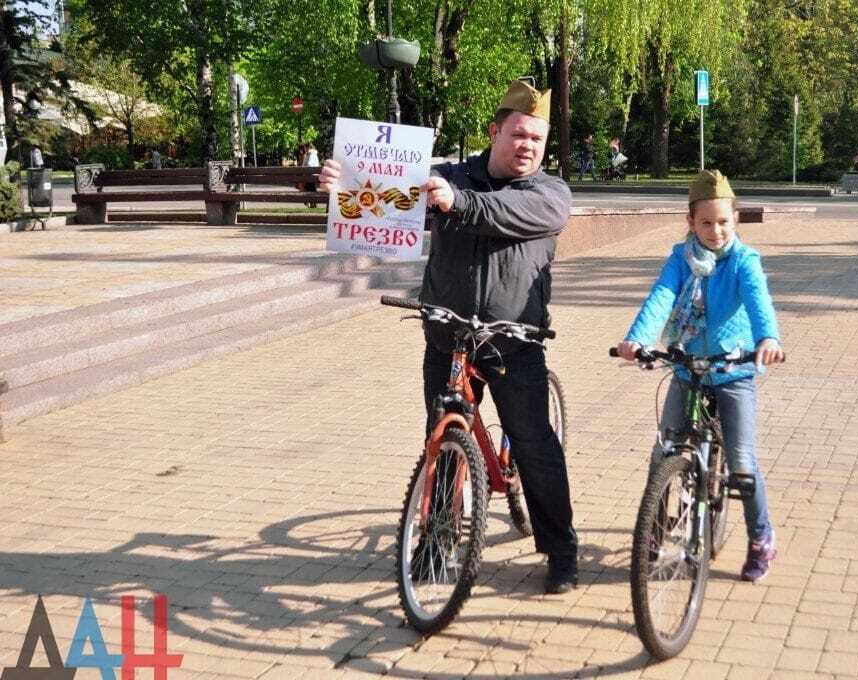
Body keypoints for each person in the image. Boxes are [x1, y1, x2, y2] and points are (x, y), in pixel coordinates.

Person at [318, 79, 579, 594]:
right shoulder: (446, 177)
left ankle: (561, 549)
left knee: (534, 445)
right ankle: (436, 544)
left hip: (514, 339)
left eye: (537, 140)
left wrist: (458, 202)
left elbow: (511, 214)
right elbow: (388, 205)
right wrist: (341, 188)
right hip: (447, 336)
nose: (527, 146)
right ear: (495, 132)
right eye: (519, 134)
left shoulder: (549, 194)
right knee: (441, 442)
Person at [616, 170, 785, 583]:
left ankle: (762, 537)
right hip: (689, 368)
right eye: (706, 223)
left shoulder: (743, 262)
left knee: (742, 464)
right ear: (690, 222)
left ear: (735, 221)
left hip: (734, 370)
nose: (716, 231)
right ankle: (652, 532)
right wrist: (636, 338)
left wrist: (768, 337)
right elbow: (661, 296)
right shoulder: (681, 259)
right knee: (665, 453)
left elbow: (758, 300)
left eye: (724, 222)